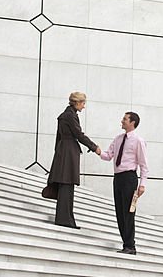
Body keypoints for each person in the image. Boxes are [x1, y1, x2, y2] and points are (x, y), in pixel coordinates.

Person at [48, 91, 102, 229]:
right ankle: (65, 220)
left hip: (63, 151)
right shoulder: (70, 116)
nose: (84, 106)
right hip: (68, 152)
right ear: (77, 102)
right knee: (67, 185)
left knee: (67, 185)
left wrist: (57, 153)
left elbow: (58, 137)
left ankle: (65, 218)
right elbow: (79, 134)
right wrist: (94, 147)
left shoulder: (66, 115)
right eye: (83, 103)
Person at [99, 111, 148, 254]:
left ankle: (130, 245)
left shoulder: (138, 141)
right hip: (118, 178)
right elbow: (108, 156)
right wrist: (96, 150)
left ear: (132, 122)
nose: (122, 121)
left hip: (129, 178)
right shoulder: (118, 139)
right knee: (119, 212)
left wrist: (142, 184)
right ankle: (125, 244)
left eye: (125, 119)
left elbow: (144, 165)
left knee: (128, 212)